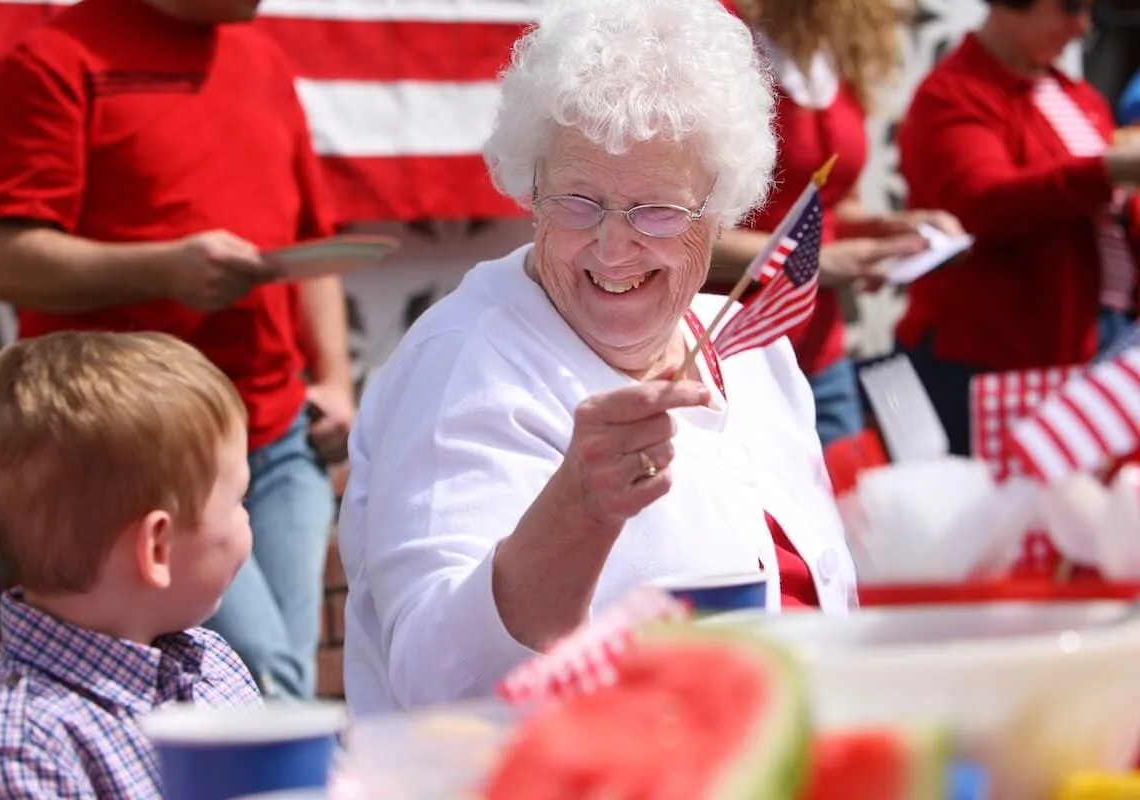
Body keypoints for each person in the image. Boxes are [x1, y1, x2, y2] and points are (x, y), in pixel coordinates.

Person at [336, 0, 857, 716]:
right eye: (578, 202)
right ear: (532, 189)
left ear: (721, 210)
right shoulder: (464, 363)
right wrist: (579, 508)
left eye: (658, 211)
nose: (613, 249)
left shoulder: (750, 344)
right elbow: (437, 683)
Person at [0, 0, 354, 698]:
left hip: (275, 429)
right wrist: (161, 268)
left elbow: (307, 241)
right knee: (265, 678)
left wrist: (332, 378)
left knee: (280, 671)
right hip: (141, 451)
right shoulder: (52, 65)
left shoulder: (260, 58)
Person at [0, 331, 261, 799]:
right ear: (157, 548)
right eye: (238, 500)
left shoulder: (210, 662)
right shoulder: (23, 754)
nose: (247, 517)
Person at [710, 0, 964, 448]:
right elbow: (677, 227)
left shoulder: (837, 48)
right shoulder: (720, 31)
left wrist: (893, 229)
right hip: (730, 356)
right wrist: (812, 261)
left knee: (843, 509)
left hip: (821, 356)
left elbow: (833, 203)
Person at [895, 0, 1140, 455]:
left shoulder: (1074, 94)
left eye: (1091, 10)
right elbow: (981, 205)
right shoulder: (953, 93)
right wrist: (1106, 171)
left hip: (1080, 343)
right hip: (990, 356)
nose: (1082, 25)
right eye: (1069, 8)